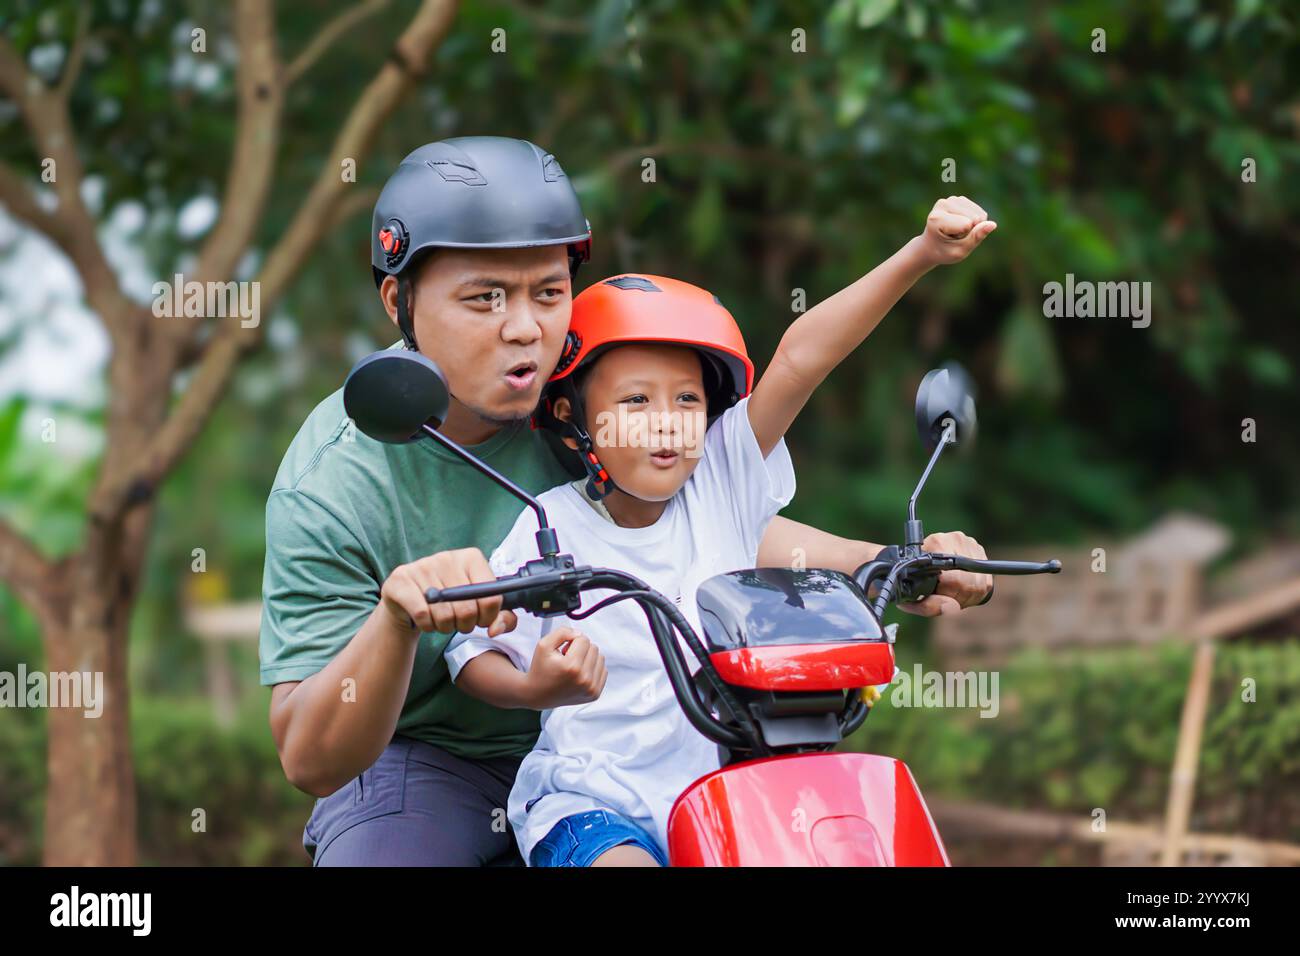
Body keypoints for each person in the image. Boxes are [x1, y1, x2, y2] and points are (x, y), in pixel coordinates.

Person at [259, 134, 994, 866]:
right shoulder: (338, 478)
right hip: (445, 760)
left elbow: (719, 524)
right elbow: (309, 753)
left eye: (548, 293)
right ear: (400, 302)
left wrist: (898, 563)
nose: (525, 328)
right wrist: (397, 624)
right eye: (484, 297)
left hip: (667, 743)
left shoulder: (598, 377)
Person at [439, 196, 997, 867]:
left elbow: (799, 360)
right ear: (571, 415)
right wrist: (533, 688)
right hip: (595, 806)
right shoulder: (548, 527)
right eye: (635, 400)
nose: (667, 422)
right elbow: (471, 652)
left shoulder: (722, 484)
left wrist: (922, 253)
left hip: (735, 793)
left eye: (687, 400)